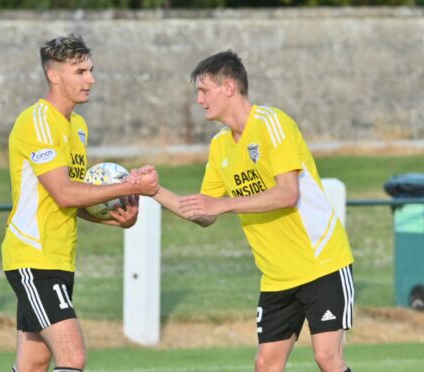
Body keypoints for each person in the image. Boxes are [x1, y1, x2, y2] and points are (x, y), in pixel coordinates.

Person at [149, 50, 354, 372]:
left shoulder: (273, 123)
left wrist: (224, 203)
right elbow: (204, 213)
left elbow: (287, 194)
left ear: (228, 87)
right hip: (276, 276)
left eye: (204, 90)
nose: (199, 100)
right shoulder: (219, 147)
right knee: (265, 365)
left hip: (322, 263)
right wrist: (152, 191)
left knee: (327, 357)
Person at [1, 33, 159, 372]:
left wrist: (117, 218)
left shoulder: (78, 126)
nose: (91, 79)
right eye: (81, 72)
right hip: (33, 257)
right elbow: (65, 192)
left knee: (34, 361)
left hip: (58, 257)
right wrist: (130, 184)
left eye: (90, 70)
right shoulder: (37, 122)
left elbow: (75, 199)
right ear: (54, 75)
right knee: (73, 357)